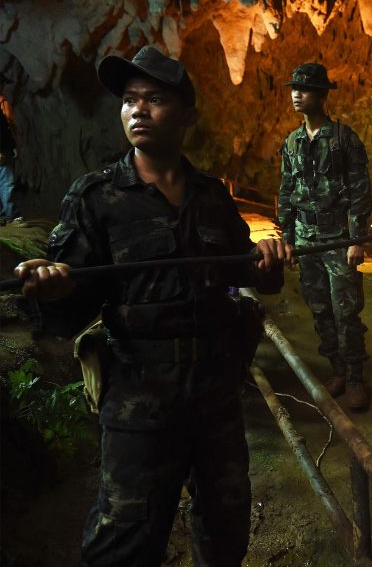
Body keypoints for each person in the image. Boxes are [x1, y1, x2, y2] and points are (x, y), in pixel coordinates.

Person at [14, 46, 285, 566]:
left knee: (225, 524)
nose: (137, 109)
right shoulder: (95, 198)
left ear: (187, 116)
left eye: (155, 99)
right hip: (139, 396)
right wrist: (53, 288)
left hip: (216, 395)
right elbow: (65, 314)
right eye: (129, 100)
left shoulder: (211, 197)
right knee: (126, 537)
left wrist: (265, 262)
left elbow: (244, 273)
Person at [278, 62, 372, 410]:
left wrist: (357, 239)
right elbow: (285, 190)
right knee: (319, 309)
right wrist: (287, 237)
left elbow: (361, 190)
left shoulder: (344, 138)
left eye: (304, 89)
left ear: (321, 95)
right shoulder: (292, 141)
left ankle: (355, 379)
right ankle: (336, 370)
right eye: (293, 89)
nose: (296, 95)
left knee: (346, 310)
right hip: (305, 238)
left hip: (337, 238)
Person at [0, 74, 19, 221]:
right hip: (2, 149)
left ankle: (3, 214)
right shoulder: (2, 103)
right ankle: (10, 215)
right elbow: (9, 125)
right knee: (6, 181)